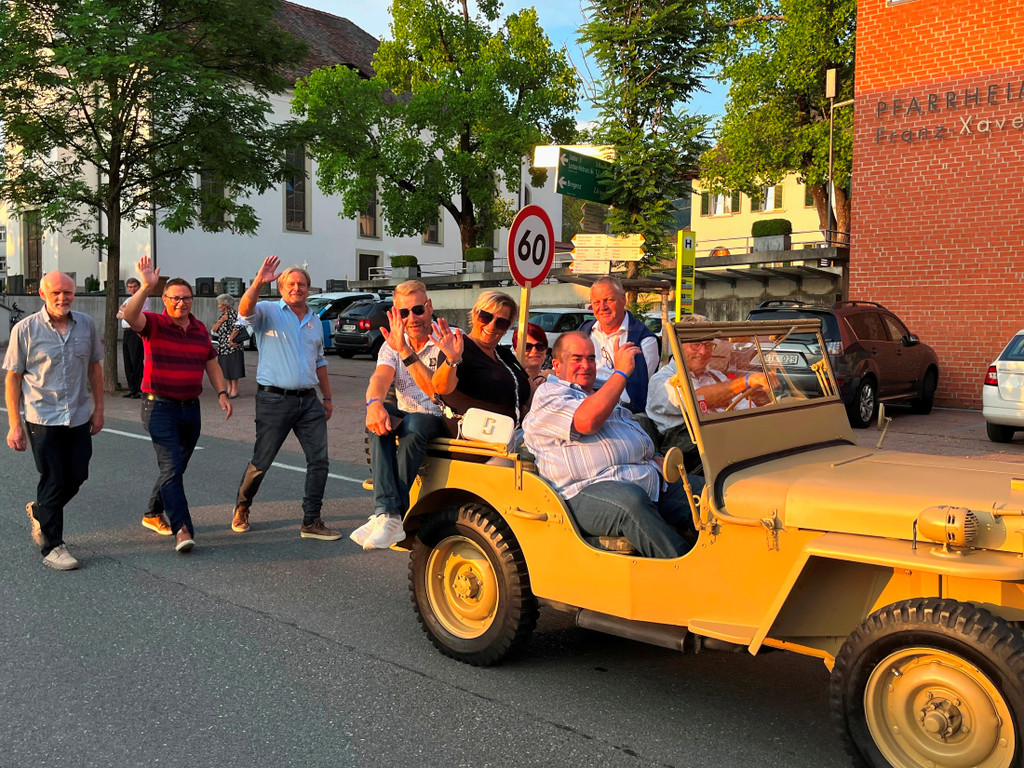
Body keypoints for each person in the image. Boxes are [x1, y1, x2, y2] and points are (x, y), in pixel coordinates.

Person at [523, 331, 694, 559]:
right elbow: (586, 422)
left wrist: (652, 456)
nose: (586, 365)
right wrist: (621, 373)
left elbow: (631, 434)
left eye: (591, 359)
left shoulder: (600, 392)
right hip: (582, 492)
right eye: (577, 359)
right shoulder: (551, 394)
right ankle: (688, 576)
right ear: (557, 364)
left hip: (644, 479)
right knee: (630, 502)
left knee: (705, 491)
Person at [122, 257, 232, 553]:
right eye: (175, 298)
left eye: (186, 298)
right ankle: (182, 528)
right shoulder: (154, 323)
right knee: (171, 465)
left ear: (192, 300)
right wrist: (145, 287)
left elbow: (211, 362)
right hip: (159, 407)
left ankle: (151, 513)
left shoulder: (199, 330)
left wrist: (222, 392)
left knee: (176, 467)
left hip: (190, 407)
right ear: (165, 300)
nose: (181, 303)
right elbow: (130, 315)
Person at [230, 255, 338, 540]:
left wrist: (327, 398)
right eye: (291, 284)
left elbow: (320, 362)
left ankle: (311, 520)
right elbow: (244, 309)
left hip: (309, 402)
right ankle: (243, 505)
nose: (297, 288)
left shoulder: (315, 321)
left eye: (302, 284)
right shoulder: (267, 311)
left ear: (308, 288)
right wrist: (257, 281)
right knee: (262, 460)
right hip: (274, 400)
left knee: (319, 461)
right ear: (280, 287)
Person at [4, 271, 104, 570]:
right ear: (43, 295)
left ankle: (40, 510)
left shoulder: (85, 324)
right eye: (56, 293)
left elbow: (95, 369)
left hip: (78, 415)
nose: (63, 298)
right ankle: (53, 545)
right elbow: (13, 378)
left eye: (68, 293)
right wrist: (14, 424)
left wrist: (99, 410)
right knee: (54, 477)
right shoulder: (25, 330)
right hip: (42, 417)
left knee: (77, 475)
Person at [351, 280, 447, 550]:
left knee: (413, 422)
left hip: (440, 417)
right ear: (396, 315)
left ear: (429, 307)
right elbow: (380, 377)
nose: (412, 318)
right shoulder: (392, 344)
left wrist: (406, 352)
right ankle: (386, 513)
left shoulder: (446, 338)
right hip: (408, 416)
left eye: (417, 310)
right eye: (404, 313)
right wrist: (373, 403)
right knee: (378, 416)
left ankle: (394, 513)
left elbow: (436, 393)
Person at [431, 290, 530, 437]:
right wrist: (451, 360)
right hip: (477, 444)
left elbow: (530, 387)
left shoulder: (504, 354)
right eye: (486, 316)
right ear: (474, 315)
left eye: (501, 322)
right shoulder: (459, 347)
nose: (491, 326)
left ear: (507, 328)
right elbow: (441, 388)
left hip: (512, 437)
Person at [578, 276, 659, 413]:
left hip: (624, 412)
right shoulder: (584, 332)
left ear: (623, 299)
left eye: (608, 300)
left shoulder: (644, 340)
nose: (602, 307)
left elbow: (638, 387)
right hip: (583, 404)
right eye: (596, 302)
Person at [211, 293, 245, 398]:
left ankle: (234, 390)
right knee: (225, 368)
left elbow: (237, 327)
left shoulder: (234, 314)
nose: (218, 306)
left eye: (219, 304)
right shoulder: (223, 316)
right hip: (223, 347)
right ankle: (229, 389)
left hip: (233, 346)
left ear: (225, 304)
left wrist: (230, 339)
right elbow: (214, 329)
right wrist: (221, 321)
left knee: (233, 368)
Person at [117, 276, 144, 398]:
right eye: (130, 287)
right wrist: (125, 312)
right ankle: (132, 388)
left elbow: (134, 314)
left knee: (136, 361)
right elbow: (119, 314)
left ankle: (140, 388)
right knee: (127, 361)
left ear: (139, 287)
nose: (132, 289)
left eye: (134, 286)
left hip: (135, 332)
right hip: (126, 332)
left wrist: (125, 311)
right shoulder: (128, 299)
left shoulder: (142, 299)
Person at [512, 322, 549, 398]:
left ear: (546, 350)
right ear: (516, 349)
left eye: (540, 346)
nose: (534, 351)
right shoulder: (511, 380)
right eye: (527, 347)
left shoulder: (552, 380)